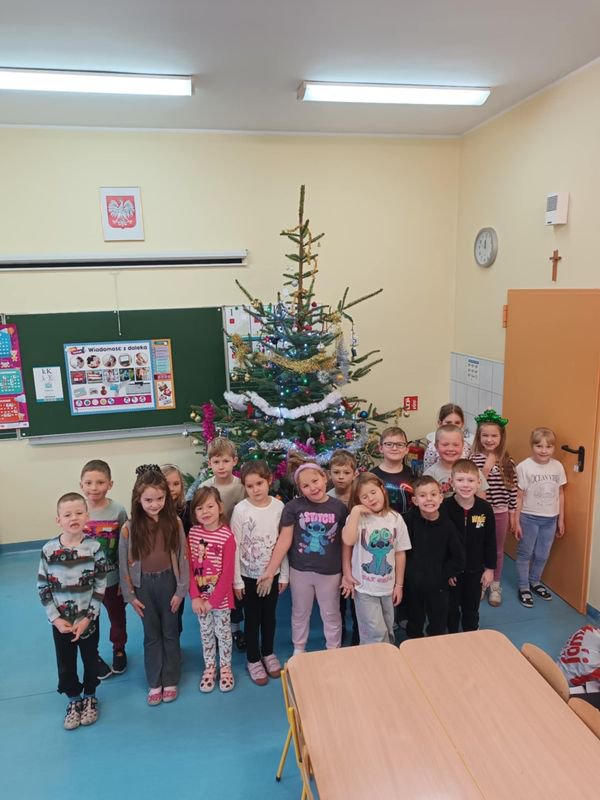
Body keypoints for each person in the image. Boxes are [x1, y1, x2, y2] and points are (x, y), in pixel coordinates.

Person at [259, 462, 348, 654]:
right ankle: (299, 649)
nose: (313, 488)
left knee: (331, 613)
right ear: (300, 489)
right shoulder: (293, 507)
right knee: (300, 612)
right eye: (306, 486)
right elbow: (284, 540)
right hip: (300, 571)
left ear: (324, 477)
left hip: (330, 572)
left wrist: (347, 573)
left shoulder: (339, 508)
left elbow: (346, 543)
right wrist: (270, 570)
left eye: (315, 481)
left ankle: (334, 649)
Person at [119, 465, 188, 705]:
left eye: (160, 498)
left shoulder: (174, 523)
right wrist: (130, 595)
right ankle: (154, 681)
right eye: (148, 500)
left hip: (169, 582)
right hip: (143, 587)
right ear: (138, 499)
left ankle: (170, 679)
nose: (154, 504)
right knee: (151, 635)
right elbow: (123, 563)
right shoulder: (129, 528)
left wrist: (181, 590)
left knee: (170, 631)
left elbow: (183, 557)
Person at [37, 492, 107, 730]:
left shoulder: (95, 548)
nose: (73, 518)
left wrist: (89, 617)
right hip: (62, 623)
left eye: (78, 513)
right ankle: (73, 699)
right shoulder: (48, 550)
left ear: (87, 516)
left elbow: (100, 585)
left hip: (87, 620)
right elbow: (43, 587)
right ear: (58, 520)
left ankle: (90, 696)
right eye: (67, 514)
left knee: (90, 659)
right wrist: (55, 619)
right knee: (65, 662)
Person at [231, 461, 287, 685]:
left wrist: (283, 574)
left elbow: (284, 543)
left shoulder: (279, 507)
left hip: (271, 575)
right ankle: (253, 658)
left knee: (269, 617)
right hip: (248, 576)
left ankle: (268, 652)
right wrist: (237, 580)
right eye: (250, 486)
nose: (255, 489)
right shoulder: (241, 510)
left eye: (259, 483)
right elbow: (235, 546)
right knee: (252, 618)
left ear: (269, 481)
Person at [341, 473, 411, 644]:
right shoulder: (356, 519)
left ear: (383, 490)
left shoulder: (396, 519)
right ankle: (377, 658)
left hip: (388, 587)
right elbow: (348, 542)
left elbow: (400, 553)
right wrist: (356, 512)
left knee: (388, 628)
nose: (371, 499)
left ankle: (387, 655)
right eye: (364, 497)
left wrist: (399, 585)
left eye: (373, 492)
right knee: (375, 632)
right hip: (364, 588)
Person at [79, 459, 128, 680]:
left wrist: (125, 579)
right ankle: (93, 656)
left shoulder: (118, 510)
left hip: (112, 579)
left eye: (100, 482)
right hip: (86, 582)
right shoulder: (78, 511)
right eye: (88, 483)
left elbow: (125, 545)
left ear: (110, 484)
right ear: (81, 485)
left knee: (117, 616)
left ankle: (119, 648)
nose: (94, 488)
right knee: (90, 619)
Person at [403, 476, 465, 638]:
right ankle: (414, 644)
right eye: (423, 495)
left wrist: (444, 574)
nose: (429, 499)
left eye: (433, 494)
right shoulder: (407, 522)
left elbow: (459, 557)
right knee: (414, 620)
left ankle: (435, 647)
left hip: (438, 586)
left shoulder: (448, 526)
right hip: (413, 584)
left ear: (441, 498)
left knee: (438, 623)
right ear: (415, 500)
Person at [188, 487, 236, 693]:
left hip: (220, 600)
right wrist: (195, 597)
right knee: (206, 633)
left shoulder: (227, 536)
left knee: (223, 634)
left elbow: (227, 574)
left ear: (220, 507)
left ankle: (225, 667)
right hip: (200, 599)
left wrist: (213, 601)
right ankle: (210, 667)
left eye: (210, 506)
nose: (205, 512)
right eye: (200, 508)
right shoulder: (193, 533)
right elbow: (189, 567)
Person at [200, 437, 246, 650]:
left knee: (233, 590)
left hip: (234, 546)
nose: (221, 466)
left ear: (234, 461)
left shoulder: (241, 487)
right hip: (212, 549)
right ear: (209, 463)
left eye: (225, 461)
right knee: (214, 587)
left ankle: (235, 629)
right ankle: (218, 630)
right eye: (216, 461)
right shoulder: (205, 487)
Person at [469, 409, 517, 606]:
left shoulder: (508, 461)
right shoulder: (473, 459)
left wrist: (513, 515)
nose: (489, 439)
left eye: (494, 435)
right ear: (479, 437)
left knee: (497, 550)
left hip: (500, 513)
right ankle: (481, 583)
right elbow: (472, 487)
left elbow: (512, 489)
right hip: (479, 513)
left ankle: (495, 586)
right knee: (479, 547)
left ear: (501, 437)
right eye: (485, 435)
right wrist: (486, 469)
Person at [514, 427, 566, 608]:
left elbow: (561, 493)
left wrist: (561, 519)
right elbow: (518, 497)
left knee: (543, 554)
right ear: (532, 446)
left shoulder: (558, 466)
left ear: (554, 448)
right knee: (525, 553)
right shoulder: (524, 467)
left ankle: (535, 581)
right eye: (539, 446)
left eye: (548, 446)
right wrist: (516, 521)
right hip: (529, 517)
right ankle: (523, 586)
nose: (544, 450)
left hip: (550, 519)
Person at [443, 460, 496, 632]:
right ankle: (451, 634)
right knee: (451, 609)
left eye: (471, 480)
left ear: (479, 483)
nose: (465, 485)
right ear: (451, 482)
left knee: (471, 608)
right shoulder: (444, 508)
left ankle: (471, 632)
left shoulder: (485, 508)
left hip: (475, 570)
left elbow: (490, 540)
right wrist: (447, 570)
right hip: (452, 572)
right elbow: (441, 543)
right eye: (460, 480)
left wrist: (490, 569)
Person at [327, 450, 360, 644]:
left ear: (354, 474)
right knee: (337, 598)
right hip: (335, 555)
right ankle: (338, 632)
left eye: (346, 473)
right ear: (329, 474)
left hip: (358, 554)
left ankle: (358, 632)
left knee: (357, 598)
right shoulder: (326, 498)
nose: (341, 477)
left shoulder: (359, 495)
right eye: (336, 472)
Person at [162, 463, 192, 632]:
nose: (172, 488)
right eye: (167, 484)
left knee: (176, 607)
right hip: (161, 568)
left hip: (180, 568)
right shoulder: (153, 511)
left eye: (176, 484)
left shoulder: (186, 510)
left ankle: (175, 639)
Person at [424, 424, 488, 498]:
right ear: (436, 446)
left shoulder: (473, 469)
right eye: (445, 445)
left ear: (463, 445)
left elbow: (481, 496)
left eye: (455, 445)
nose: (450, 449)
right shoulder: (430, 475)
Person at [372, 426, 415, 514]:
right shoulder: (373, 476)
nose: (394, 448)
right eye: (389, 444)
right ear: (381, 448)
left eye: (400, 444)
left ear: (406, 449)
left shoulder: (410, 472)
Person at [423, 403, 473, 470]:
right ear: (440, 423)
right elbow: (427, 472)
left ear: (462, 424)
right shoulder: (432, 448)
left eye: (457, 423)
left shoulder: (467, 447)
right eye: (448, 422)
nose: (453, 426)